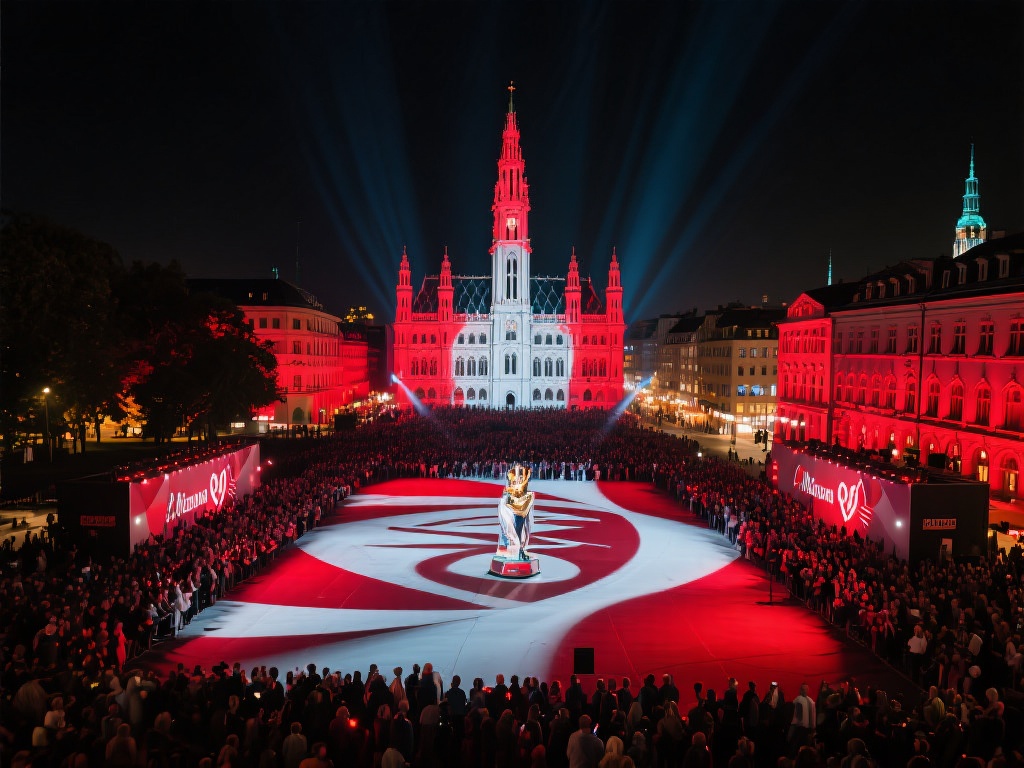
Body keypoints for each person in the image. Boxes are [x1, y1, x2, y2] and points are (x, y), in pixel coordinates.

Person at [496, 463, 536, 561]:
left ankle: (520, 549)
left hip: (521, 510)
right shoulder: (505, 500)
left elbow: (529, 523)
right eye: (515, 482)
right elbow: (506, 525)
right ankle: (511, 549)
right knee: (511, 530)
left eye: (521, 480)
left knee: (521, 529)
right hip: (511, 509)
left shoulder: (528, 498)